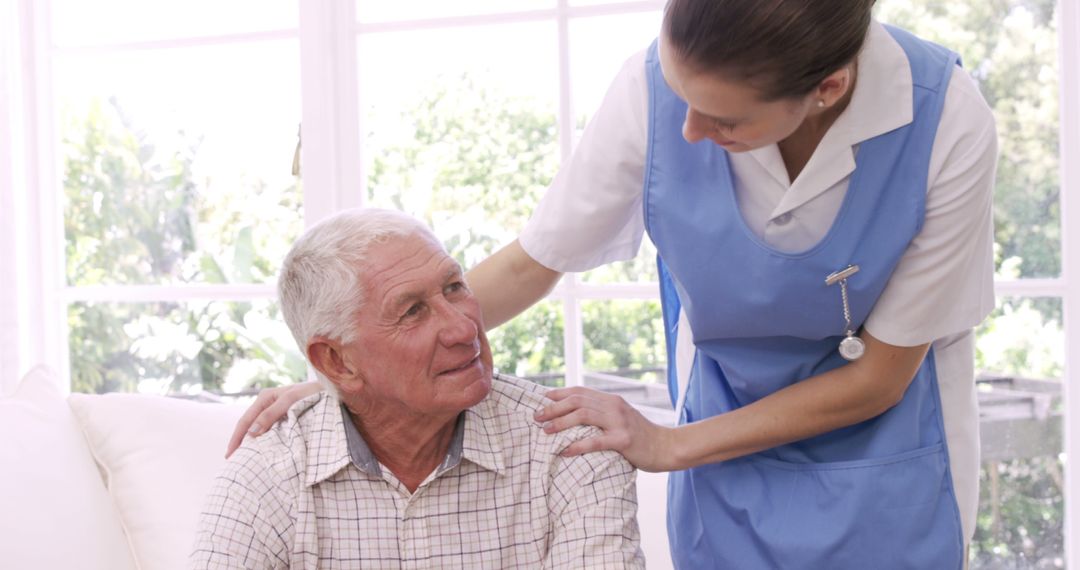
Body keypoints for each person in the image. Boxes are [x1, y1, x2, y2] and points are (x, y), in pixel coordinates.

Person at [227, 0, 996, 567]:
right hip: (724, 439)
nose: (689, 132)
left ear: (826, 90)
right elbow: (536, 260)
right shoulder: (652, 91)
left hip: (883, 443)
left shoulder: (944, 121)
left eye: (723, 122)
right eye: (681, 96)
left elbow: (883, 376)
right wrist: (357, 371)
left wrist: (666, 443)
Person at [195, 208, 644, 569]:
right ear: (335, 360)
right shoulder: (269, 475)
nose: (463, 326)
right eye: (412, 311)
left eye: (454, 288)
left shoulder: (568, 448)